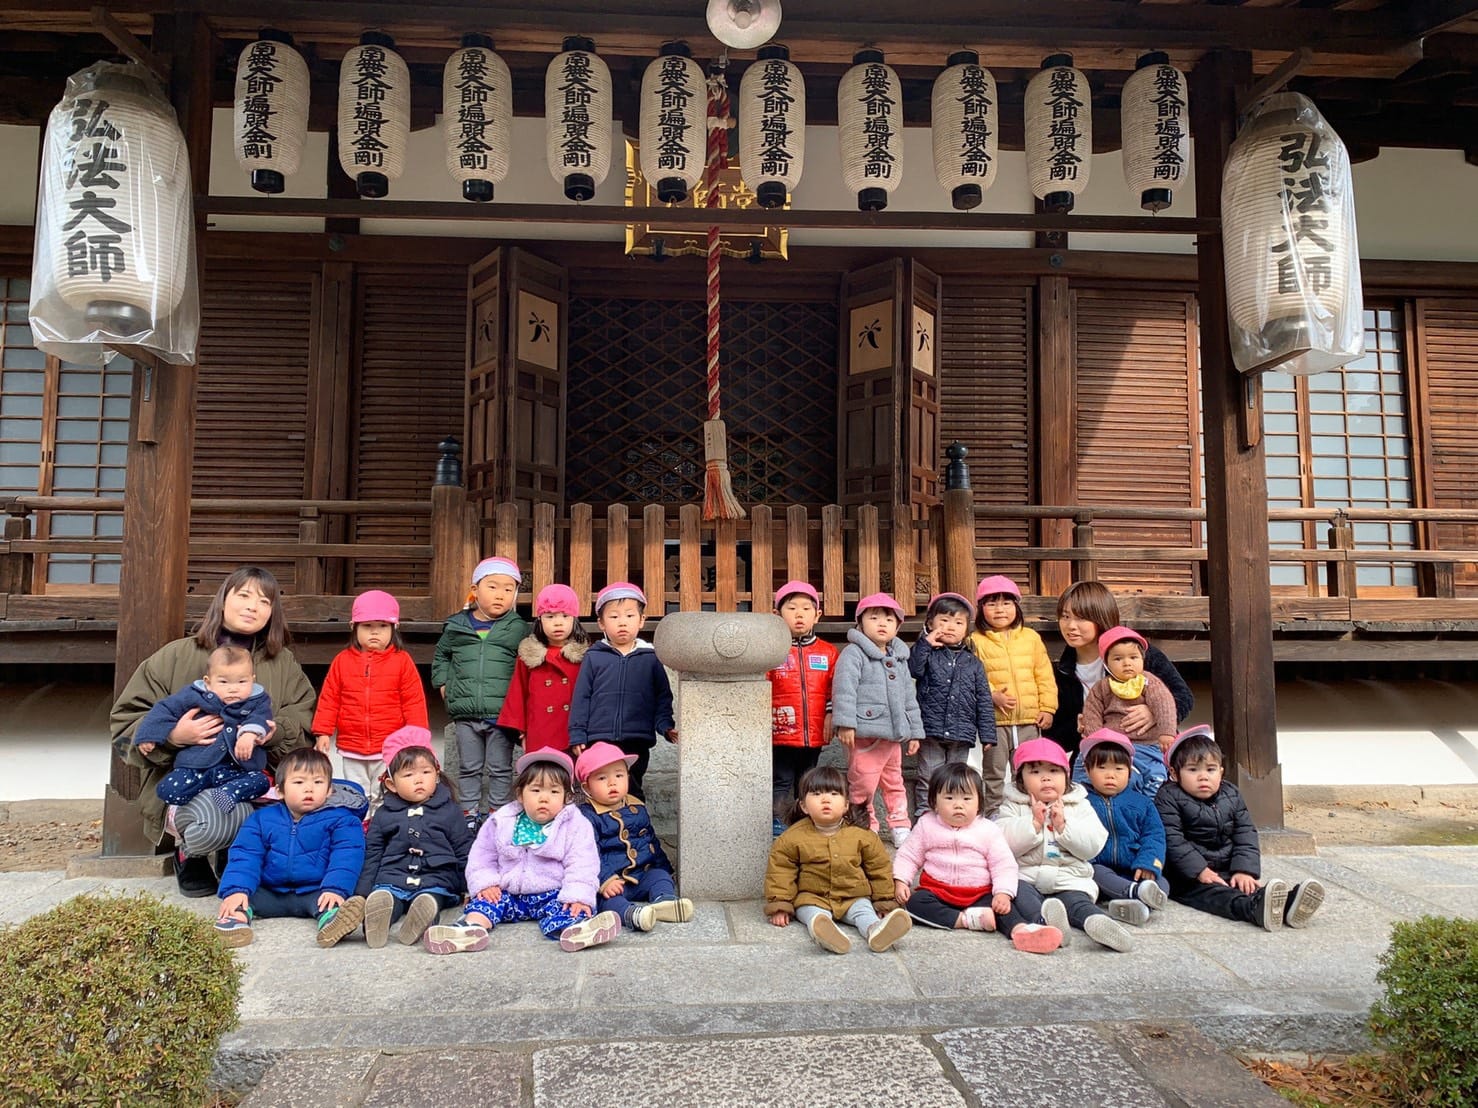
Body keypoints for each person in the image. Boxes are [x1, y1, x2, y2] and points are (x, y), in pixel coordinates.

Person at [111, 566, 316, 897]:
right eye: (244, 595)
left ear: (272, 613)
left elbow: (304, 715)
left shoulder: (283, 662)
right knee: (220, 819)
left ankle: (234, 853)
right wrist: (174, 736)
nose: (253, 606)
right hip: (191, 779)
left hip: (253, 777)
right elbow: (126, 719)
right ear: (223, 600)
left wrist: (275, 732)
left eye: (264, 601)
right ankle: (188, 851)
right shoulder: (175, 656)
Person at [422, 748, 621, 954]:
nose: (544, 798)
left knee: (570, 909)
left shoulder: (575, 824)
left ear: (566, 797)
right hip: (508, 892)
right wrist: (486, 883)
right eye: (535, 790)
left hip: (553, 893)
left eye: (554, 792)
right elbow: (482, 856)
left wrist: (578, 895)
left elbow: (582, 863)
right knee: (484, 904)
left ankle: (577, 931)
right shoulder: (502, 820)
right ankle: (469, 930)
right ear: (520, 794)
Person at [1156, 726, 1326, 930]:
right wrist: (1199, 870)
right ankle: (1253, 910)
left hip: (1227, 866)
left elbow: (1245, 833)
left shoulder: (1231, 793)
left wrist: (1244, 869)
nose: (1203, 777)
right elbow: (1172, 838)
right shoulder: (1168, 797)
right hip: (1186, 875)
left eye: (1210, 769)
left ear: (1221, 771)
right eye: (1193, 770)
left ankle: (1289, 903)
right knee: (1220, 895)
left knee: (1246, 886)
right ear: (1174, 773)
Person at [892, 763, 1062, 953]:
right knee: (915, 904)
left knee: (1004, 909)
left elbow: (1003, 864)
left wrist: (1003, 893)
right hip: (938, 890)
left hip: (979, 893)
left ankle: (1021, 931)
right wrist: (901, 880)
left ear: (979, 803)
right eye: (949, 798)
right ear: (934, 803)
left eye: (967, 798)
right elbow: (908, 854)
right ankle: (966, 920)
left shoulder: (988, 829)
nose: (958, 805)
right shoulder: (926, 825)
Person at [213, 749, 368, 949]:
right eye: (299, 782)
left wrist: (335, 888)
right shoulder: (261, 819)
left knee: (331, 904)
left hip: (316, 891)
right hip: (270, 892)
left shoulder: (343, 819)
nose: (309, 789)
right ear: (280, 790)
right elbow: (246, 855)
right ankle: (235, 922)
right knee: (242, 898)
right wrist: (236, 890)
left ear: (330, 790)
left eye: (318, 782)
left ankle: (333, 922)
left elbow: (347, 856)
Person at [995, 737, 1133, 952]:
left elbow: (1093, 844)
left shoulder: (1079, 805)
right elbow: (1001, 843)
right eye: (1035, 772)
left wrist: (1063, 827)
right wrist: (1032, 824)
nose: (1046, 779)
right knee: (1021, 895)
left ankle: (1097, 922)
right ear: (1020, 779)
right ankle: (1046, 925)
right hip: (1026, 876)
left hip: (1069, 877)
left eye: (1053, 771)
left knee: (1078, 902)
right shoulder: (1013, 805)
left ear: (1066, 776)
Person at [764, 766, 913, 955]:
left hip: (853, 896)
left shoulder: (862, 836)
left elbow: (879, 869)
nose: (826, 799)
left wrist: (884, 902)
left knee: (864, 913)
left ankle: (876, 931)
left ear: (846, 805)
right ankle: (825, 933)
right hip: (812, 897)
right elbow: (781, 872)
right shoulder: (792, 838)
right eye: (817, 794)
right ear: (803, 806)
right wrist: (780, 906)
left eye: (834, 794)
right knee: (812, 913)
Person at [1049, 580, 1194, 762]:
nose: (1070, 626)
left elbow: (1183, 696)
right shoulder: (1062, 671)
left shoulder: (1136, 654)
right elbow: (1056, 737)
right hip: (1100, 757)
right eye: (1065, 616)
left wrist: (1154, 713)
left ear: (1101, 618)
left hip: (1148, 751)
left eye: (1081, 618)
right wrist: (1079, 727)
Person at [355, 726, 474, 948]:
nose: (419, 780)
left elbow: (463, 849)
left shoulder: (449, 810)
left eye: (426, 772)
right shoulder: (384, 814)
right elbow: (373, 853)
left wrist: (470, 888)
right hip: (393, 875)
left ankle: (420, 921)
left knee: (430, 898)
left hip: (436, 876)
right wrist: (362, 892)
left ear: (437, 775)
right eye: (409, 775)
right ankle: (378, 920)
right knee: (387, 897)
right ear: (391, 784)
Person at [432, 556, 530, 824]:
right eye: (493, 586)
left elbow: (526, 666)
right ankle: (468, 814)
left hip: (501, 714)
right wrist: (443, 684)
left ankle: (498, 813)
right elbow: (441, 656)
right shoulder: (456, 626)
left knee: (500, 768)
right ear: (474, 590)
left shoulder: (517, 628)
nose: (501, 595)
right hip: (465, 713)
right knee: (469, 767)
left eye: (508, 589)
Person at [312, 589, 429, 795]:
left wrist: (417, 739)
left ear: (394, 628)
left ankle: (381, 827)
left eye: (382, 626)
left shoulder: (402, 661)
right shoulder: (342, 660)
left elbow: (414, 702)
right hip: (352, 745)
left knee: (385, 791)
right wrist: (323, 732)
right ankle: (361, 825)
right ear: (354, 628)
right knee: (357, 792)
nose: (375, 632)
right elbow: (330, 699)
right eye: (367, 626)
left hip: (390, 746)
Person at [567, 582, 676, 800]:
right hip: (600, 738)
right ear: (601, 623)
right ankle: (604, 830)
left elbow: (662, 696)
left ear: (641, 620)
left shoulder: (651, 657)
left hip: (636, 738)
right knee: (602, 788)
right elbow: (582, 697)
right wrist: (578, 733)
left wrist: (665, 726)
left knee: (632, 787)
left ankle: (637, 831)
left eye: (629, 616)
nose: (622, 623)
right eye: (614, 617)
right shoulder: (594, 656)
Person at [832, 592, 923, 846]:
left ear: (897, 626)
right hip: (865, 733)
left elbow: (909, 697)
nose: (882, 623)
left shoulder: (899, 658)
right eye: (874, 618)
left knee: (895, 781)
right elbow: (844, 689)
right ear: (860, 623)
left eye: (889, 620)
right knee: (863, 782)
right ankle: (865, 824)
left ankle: (900, 824)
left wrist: (915, 732)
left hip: (893, 736)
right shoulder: (854, 653)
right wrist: (846, 723)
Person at [134, 645, 272, 812]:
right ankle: (201, 802)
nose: (233, 688)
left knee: (261, 782)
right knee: (168, 789)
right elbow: (164, 709)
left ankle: (227, 794)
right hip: (196, 767)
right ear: (208, 682)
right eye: (223, 682)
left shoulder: (257, 699)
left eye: (242, 681)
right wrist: (150, 735)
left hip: (236, 771)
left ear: (252, 679)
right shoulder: (194, 695)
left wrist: (249, 734)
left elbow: (261, 716)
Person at [575, 741, 694, 932]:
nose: (612, 782)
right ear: (587, 787)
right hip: (611, 881)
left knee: (660, 876)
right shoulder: (586, 816)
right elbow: (586, 854)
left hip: (641, 874)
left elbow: (650, 841)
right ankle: (632, 915)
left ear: (628, 777)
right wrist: (604, 880)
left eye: (619, 775)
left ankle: (664, 902)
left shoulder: (636, 806)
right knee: (607, 901)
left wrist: (664, 867)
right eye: (602, 778)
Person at [969, 574, 1056, 818]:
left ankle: (1032, 811)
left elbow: (1044, 675)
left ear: (1016, 607)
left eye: (1006, 603)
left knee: (1030, 768)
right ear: (981, 609)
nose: (999, 610)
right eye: (991, 603)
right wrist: (992, 696)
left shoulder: (1031, 638)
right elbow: (973, 677)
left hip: (1029, 720)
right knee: (994, 772)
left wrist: (1047, 708)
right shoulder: (975, 641)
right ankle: (995, 814)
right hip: (995, 722)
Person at [908, 592, 995, 819]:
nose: (950, 627)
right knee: (929, 775)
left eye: (958, 622)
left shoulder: (973, 662)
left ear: (966, 629)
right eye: (943, 620)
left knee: (955, 777)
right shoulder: (926, 652)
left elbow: (984, 698)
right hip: (930, 728)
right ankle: (925, 816)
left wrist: (987, 734)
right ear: (930, 623)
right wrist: (925, 643)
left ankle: (951, 816)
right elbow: (913, 669)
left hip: (962, 730)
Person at [766, 580, 838, 836]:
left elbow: (833, 688)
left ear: (817, 615)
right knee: (781, 780)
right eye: (792, 608)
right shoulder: (772, 652)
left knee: (807, 780)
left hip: (815, 731)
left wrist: (831, 714)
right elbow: (763, 688)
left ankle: (805, 821)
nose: (799, 614)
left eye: (806, 609)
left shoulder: (828, 652)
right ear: (777, 614)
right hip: (781, 731)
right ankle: (778, 823)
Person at [1077, 729, 1170, 927]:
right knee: (1096, 872)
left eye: (1119, 769)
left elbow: (1154, 835)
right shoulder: (1080, 801)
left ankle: (1137, 907)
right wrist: (1088, 859)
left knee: (1162, 883)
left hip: (1133, 867)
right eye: (1102, 768)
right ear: (1087, 770)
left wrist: (1148, 864)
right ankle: (1136, 896)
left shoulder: (1142, 802)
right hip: (1099, 867)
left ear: (1130, 771)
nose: (1111, 775)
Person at [1078, 626, 1177, 796]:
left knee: (1156, 777)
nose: (1127, 663)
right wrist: (1096, 740)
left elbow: (1164, 704)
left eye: (1133, 657)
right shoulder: (1102, 687)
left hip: (1148, 746)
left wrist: (1166, 732)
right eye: (1118, 659)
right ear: (1106, 663)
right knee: (1087, 766)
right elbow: (1092, 714)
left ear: (1142, 659)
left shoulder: (1149, 682)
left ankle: (1151, 803)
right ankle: (1082, 797)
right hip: (1115, 747)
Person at [497, 583, 589, 755]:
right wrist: (521, 730)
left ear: (575, 619)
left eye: (565, 616)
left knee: (570, 778)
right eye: (550, 617)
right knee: (541, 778)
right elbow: (518, 693)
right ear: (540, 620)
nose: (558, 623)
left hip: (571, 732)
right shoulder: (528, 656)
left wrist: (584, 732)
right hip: (539, 730)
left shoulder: (585, 657)